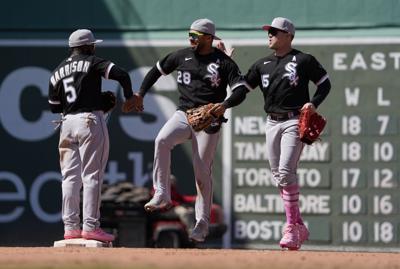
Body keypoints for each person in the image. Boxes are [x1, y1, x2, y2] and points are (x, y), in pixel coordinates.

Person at [135, 18, 248, 243]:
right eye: (189, 34)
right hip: (185, 113)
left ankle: (202, 223)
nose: (190, 39)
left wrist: (223, 106)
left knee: (201, 173)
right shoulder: (181, 55)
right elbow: (156, 71)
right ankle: (162, 193)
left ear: (208, 38)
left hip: (209, 118)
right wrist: (140, 93)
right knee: (162, 140)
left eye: (195, 36)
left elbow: (240, 91)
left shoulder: (223, 62)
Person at [243, 17, 331, 250]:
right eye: (268, 31)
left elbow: (325, 83)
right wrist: (225, 60)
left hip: (294, 121)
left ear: (289, 36)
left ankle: (291, 227)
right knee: (278, 175)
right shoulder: (262, 64)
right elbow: (241, 87)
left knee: (284, 172)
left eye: (275, 31)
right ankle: (298, 225)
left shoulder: (303, 60)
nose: (269, 34)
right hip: (271, 122)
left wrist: (314, 103)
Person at [48, 29, 141, 242]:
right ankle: (91, 226)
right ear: (88, 46)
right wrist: (128, 97)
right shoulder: (92, 61)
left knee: (69, 178)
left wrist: (91, 99)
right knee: (92, 176)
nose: (94, 48)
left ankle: (70, 228)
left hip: (66, 123)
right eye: (93, 45)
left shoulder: (57, 71)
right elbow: (122, 74)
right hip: (89, 122)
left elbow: (54, 107)